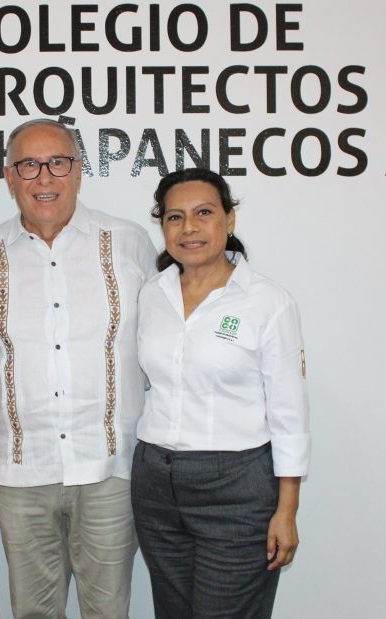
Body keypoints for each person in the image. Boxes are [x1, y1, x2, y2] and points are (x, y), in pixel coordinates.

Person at [0, 118, 156, 619]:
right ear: (9, 178)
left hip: (109, 471)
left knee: (108, 611)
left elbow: (163, 341)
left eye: (58, 163)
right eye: (29, 165)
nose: (44, 178)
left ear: (78, 171)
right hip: (21, 475)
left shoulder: (129, 242)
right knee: (33, 612)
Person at [131, 168, 310, 619]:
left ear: (229, 220)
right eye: (175, 217)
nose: (189, 228)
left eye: (204, 213)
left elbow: (289, 414)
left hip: (236, 489)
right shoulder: (152, 294)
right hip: (155, 485)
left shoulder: (267, 301)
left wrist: (286, 510)